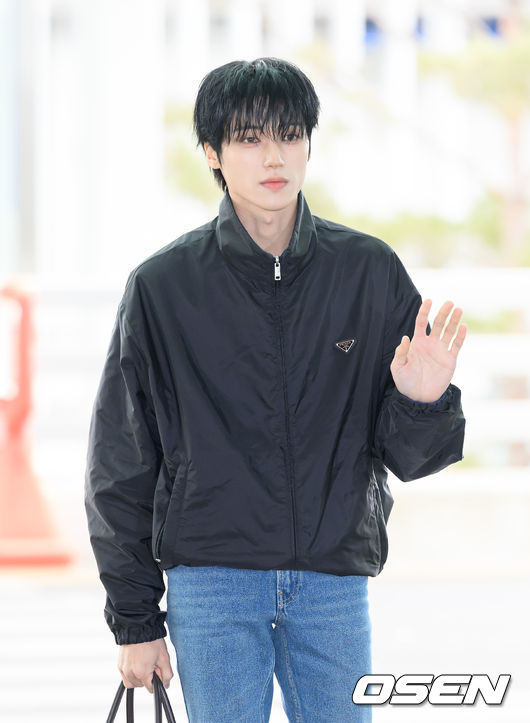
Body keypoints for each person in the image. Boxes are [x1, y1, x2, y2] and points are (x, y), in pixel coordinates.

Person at [84, 57, 466, 722]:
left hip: (331, 585)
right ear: (212, 152)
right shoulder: (163, 288)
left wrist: (422, 399)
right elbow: (120, 462)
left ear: (309, 144)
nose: (274, 156)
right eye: (249, 138)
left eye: (290, 135)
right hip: (212, 585)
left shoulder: (368, 272)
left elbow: (411, 459)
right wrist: (135, 620)